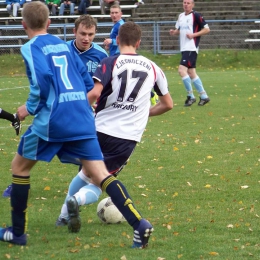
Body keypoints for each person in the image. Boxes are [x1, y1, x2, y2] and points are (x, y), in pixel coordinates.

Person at [0, 1, 154, 249]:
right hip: (82, 117)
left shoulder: (30, 48)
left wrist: (27, 109)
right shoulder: (63, 46)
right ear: (49, 23)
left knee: (19, 166)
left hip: (54, 119)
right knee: (101, 174)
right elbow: (85, 80)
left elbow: (41, 83)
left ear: (23, 24)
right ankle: (139, 224)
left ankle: (17, 233)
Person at [55, 21, 173, 248]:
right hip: (126, 137)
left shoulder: (109, 61)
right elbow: (168, 104)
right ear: (139, 43)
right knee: (100, 182)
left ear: (117, 40)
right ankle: (77, 201)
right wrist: (143, 112)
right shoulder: (154, 68)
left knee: (85, 172)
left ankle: (63, 216)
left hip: (97, 129)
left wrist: (73, 111)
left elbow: (95, 93)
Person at [169, 0, 210, 106]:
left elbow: (207, 29)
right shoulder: (181, 16)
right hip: (184, 48)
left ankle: (190, 96)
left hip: (191, 48)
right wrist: (174, 32)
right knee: (191, 73)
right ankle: (204, 96)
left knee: (181, 70)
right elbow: (179, 30)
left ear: (193, 5)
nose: (186, 4)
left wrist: (193, 35)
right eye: (184, 2)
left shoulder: (196, 15)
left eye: (188, 3)